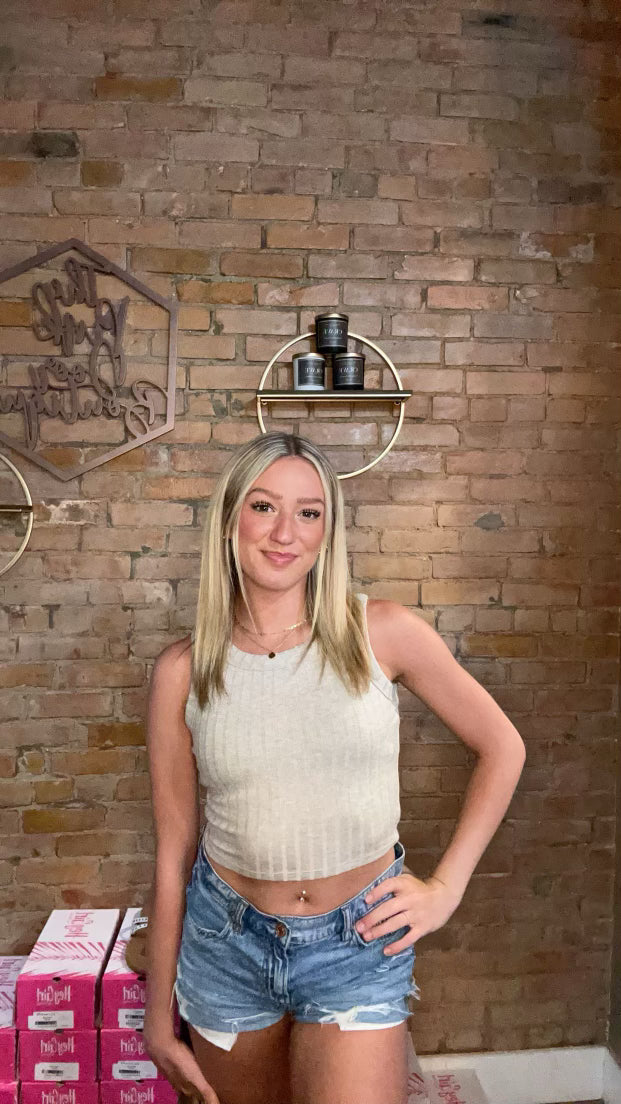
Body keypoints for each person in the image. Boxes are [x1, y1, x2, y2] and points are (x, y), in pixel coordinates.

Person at [143, 431, 526, 1104]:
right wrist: (156, 1018)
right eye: (264, 506)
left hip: (356, 943)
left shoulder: (382, 633)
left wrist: (445, 887)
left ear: (327, 532)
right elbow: (174, 851)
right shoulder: (184, 669)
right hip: (227, 944)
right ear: (230, 520)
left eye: (308, 512)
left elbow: (502, 746)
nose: (284, 532)